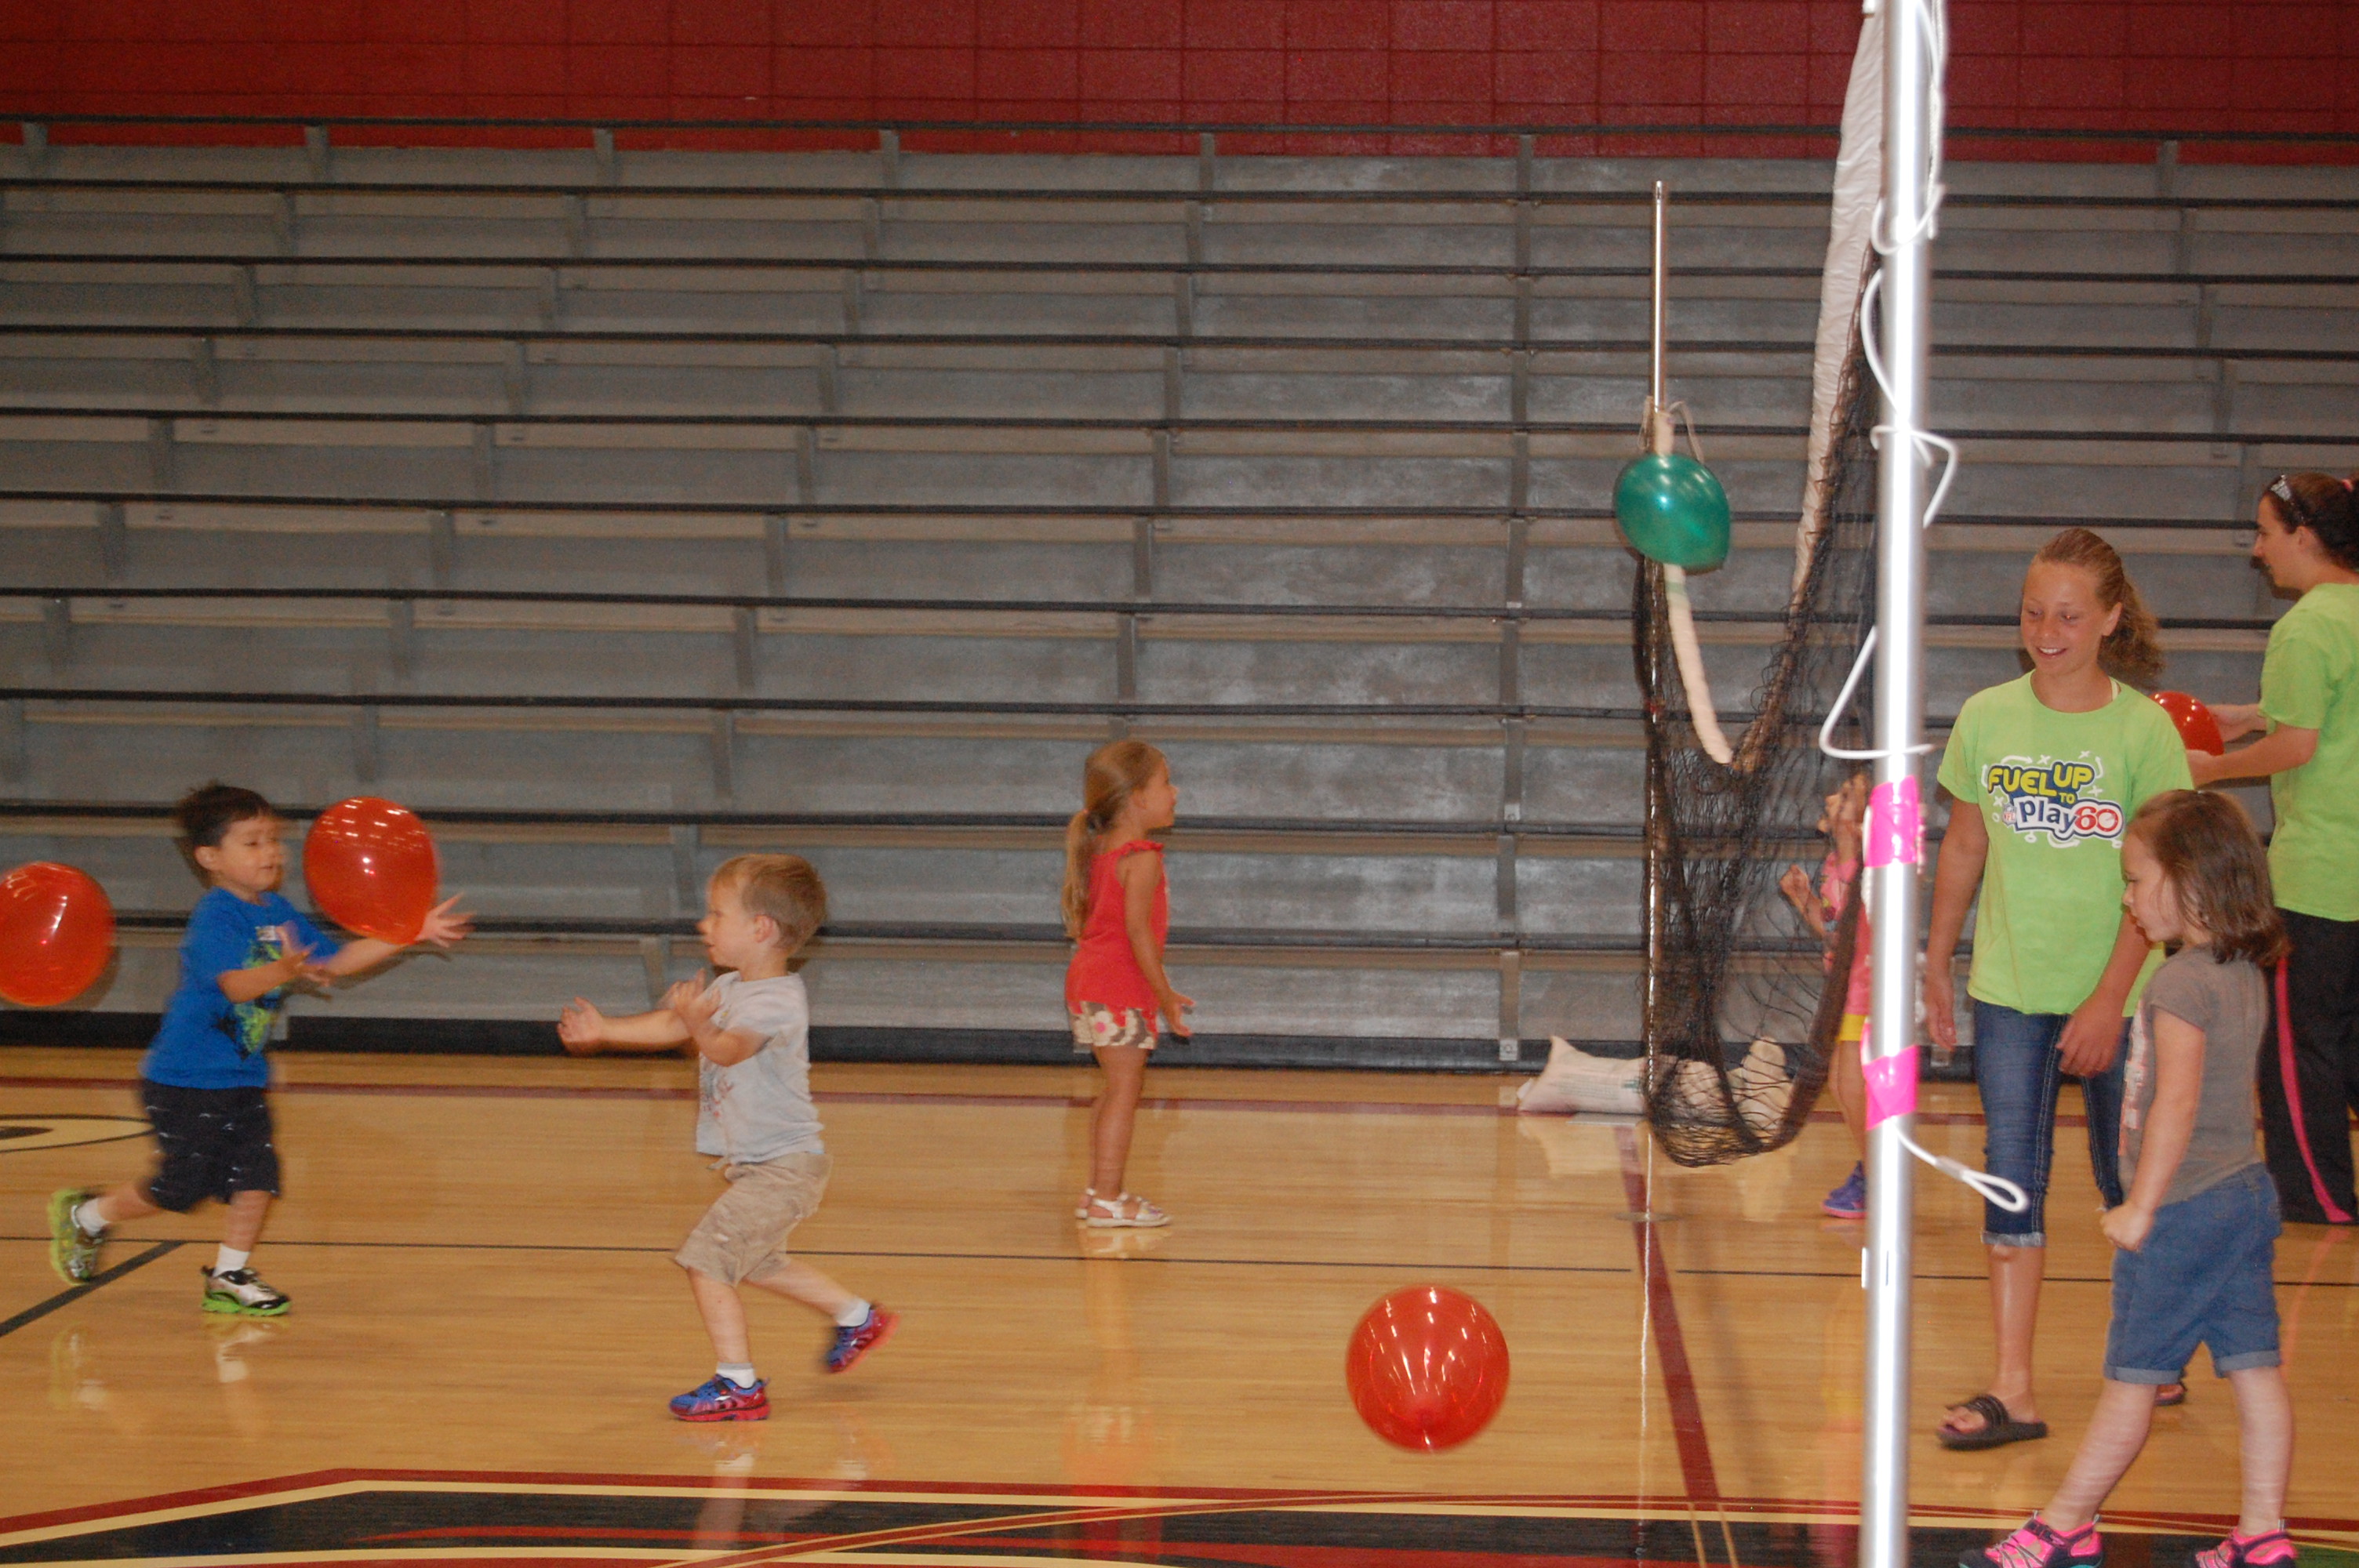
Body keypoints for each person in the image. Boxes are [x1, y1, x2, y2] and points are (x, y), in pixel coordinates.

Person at [1961, 790, 2292, 1568]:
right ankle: (2261, 1530)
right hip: (2245, 1194)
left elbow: (2174, 1101)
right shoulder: (2241, 969)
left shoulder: (2177, 983)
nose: (2126, 895)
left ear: (2192, 882)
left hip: (2182, 1208)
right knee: (2253, 1366)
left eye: (2137, 878)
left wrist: (2138, 1204)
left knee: (2130, 1377)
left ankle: (2064, 1524)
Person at [1924, 527, 2194, 1448]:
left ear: (2110, 620)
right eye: (2032, 611)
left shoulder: (2142, 730)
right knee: (2010, 1182)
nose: (2046, 628)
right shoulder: (1985, 717)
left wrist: (2107, 1000)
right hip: (2009, 989)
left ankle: (2151, 1358)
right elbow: (1962, 846)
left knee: (2130, 1180)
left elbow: (2163, 882)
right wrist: (1935, 961)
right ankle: (2013, 1387)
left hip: (2124, 994)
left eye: (2069, 614)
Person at [46, 782, 471, 1313]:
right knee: (181, 1189)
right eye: (251, 842)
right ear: (210, 858)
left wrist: (410, 931)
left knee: (258, 1176)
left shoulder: (276, 912)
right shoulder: (216, 917)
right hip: (184, 1080)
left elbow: (335, 963)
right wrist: (282, 969)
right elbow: (236, 986)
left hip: (242, 1078)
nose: (270, 852)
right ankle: (88, 1216)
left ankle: (229, 1273)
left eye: (273, 839)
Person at [559, 854, 896, 1421]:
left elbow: (726, 1047)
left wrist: (698, 1023)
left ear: (761, 928)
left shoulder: (776, 1000)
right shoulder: (735, 985)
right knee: (759, 1262)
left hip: (785, 1168)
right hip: (769, 1166)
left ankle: (737, 1383)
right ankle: (856, 1316)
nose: (704, 926)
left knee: (707, 1259)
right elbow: (671, 1026)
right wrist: (606, 1031)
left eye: (717, 915)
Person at [2189, 471, 2359, 1226]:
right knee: (2345, 1038)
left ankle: (2317, 1198)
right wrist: (2252, 714)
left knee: (2296, 1047)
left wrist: (2216, 767)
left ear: (2304, 536)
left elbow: (2300, 743)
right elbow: (2327, 707)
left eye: (2264, 532)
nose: (2257, 550)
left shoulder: (2307, 624)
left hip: (2322, 876)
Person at [1063, 739, 1191, 1229]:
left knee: (1113, 1088)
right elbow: (1139, 936)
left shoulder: (1103, 850)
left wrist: (1163, 992)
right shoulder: (1142, 856)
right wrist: (1164, 997)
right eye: (1165, 782)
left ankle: (1100, 1190)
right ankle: (1107, 1199)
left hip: (1091, 980)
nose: (1174, 792)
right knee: (1124, 1091)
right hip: (1116, 985)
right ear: (1138, 797)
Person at [1780, 772, 1872, 1218]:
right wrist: (1804, 903)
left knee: (1852, 1083)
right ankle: (1872, 1168)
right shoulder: (1837, 864)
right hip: (1844, 989)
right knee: (1840, 1083)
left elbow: (1863, 929)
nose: (1834, 797)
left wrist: (1853, 848)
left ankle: (1879, 1176)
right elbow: (1837, 931)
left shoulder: (1870, 869)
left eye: (1849, 796)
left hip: (1869, 990)